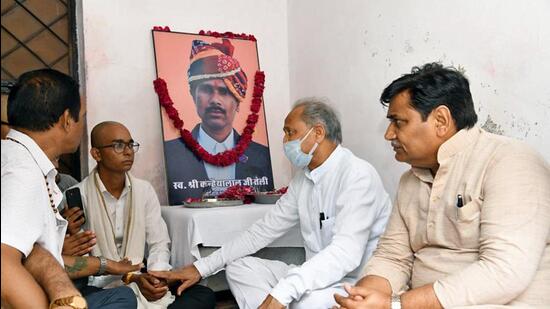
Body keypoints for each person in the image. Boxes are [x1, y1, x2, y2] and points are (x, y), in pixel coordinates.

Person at [334, 63, 550, 309]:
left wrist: (393, 304)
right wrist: (364, 298)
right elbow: (393, 256)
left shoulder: (509, 162)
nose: (389, 135)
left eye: (399, 122)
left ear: (441, 120)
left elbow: (504, 271)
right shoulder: (411, 180)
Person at [151, 98, 393, 309]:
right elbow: (261, 232)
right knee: (239, 269)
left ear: (318, 132)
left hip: (354, 282)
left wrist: (285, 290)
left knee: (300, 301)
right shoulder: (304, 179)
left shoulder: (357, 175)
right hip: (313, 277)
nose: (285, 140)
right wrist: (201, 268)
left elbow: (345, 255)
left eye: (290, 132)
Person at [1, 69, 138, 309]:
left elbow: (27, 249)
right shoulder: (21, 172)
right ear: (66, 120)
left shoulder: (17, 158)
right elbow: (4, 260)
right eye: (81, 117)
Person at [68, 121, 216, 308]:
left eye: (131, 145)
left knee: (203, 295)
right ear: (96, 154)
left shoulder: (143, 190)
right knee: (111, 299)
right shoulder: (78, 196)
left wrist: (156, 278)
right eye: (118, 145)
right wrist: (128, 278)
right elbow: (78, 261)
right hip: (101, 287)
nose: (128, 151)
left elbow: (159, 242)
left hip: (142, 276)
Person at [163, 38, 274, 203]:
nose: (215, 100)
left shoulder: (261, 155)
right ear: (193, 96)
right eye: (207, 89)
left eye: (224, 91)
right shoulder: (172, 152)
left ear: (237, 101)